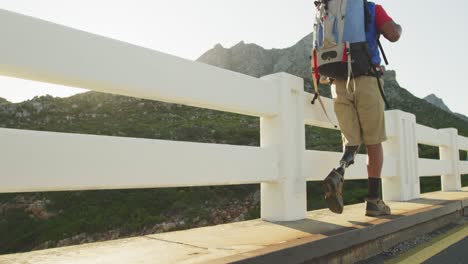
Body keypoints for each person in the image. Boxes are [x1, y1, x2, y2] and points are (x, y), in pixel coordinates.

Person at [322, 2, 402, 216]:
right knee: (374, 141)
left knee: (352, 142)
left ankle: (339, 172)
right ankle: (374, 201)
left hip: (337, 82)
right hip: (366, 79)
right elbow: (392, 34)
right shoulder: (372, 8)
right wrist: (398, 27)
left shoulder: (329, 9)